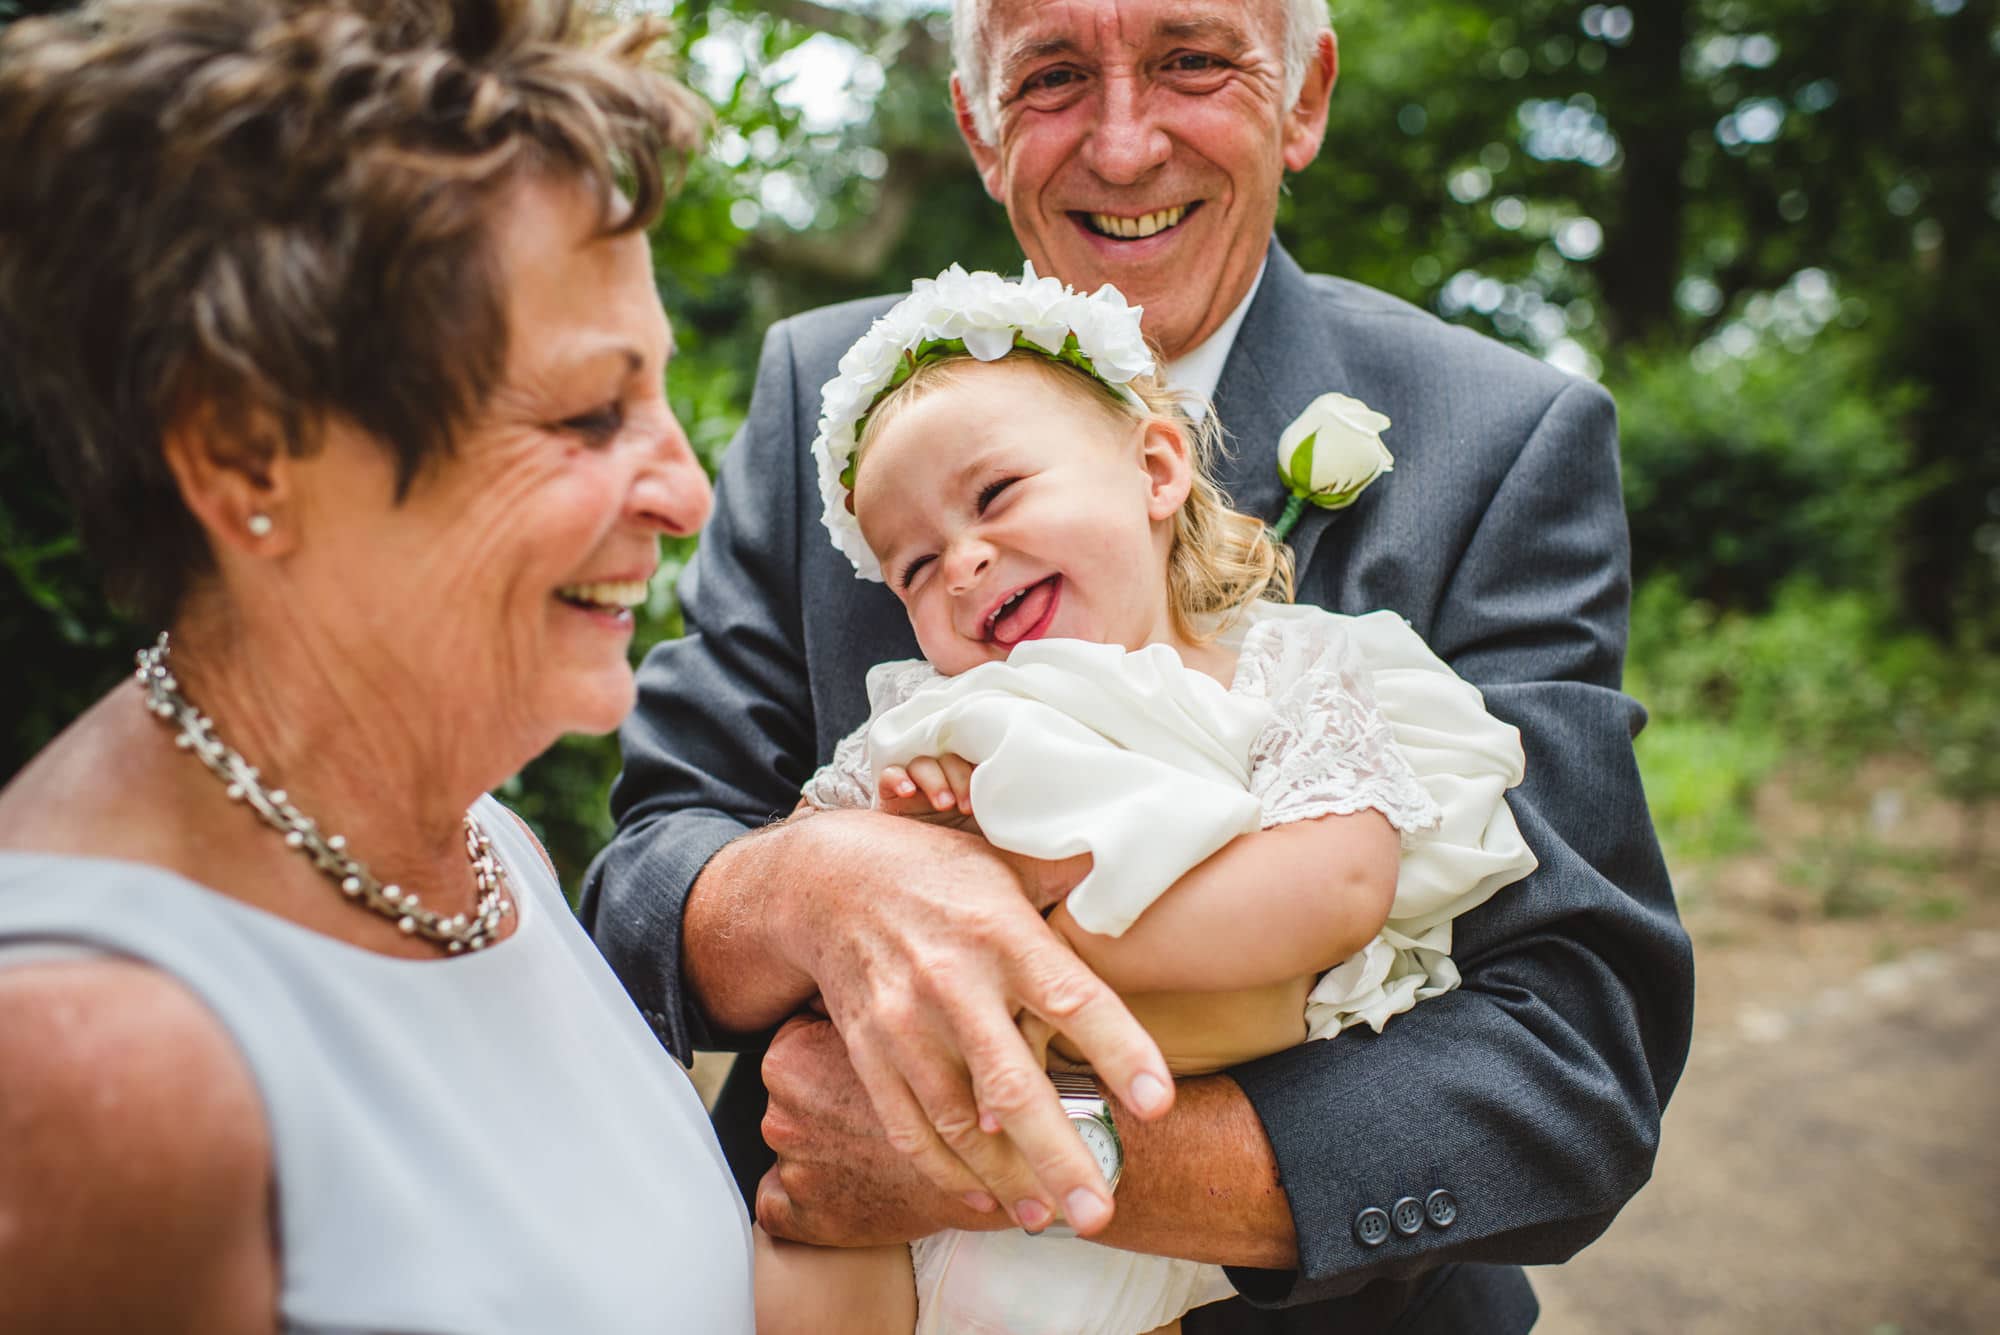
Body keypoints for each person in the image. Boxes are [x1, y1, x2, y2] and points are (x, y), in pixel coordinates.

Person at [583, 0, 1694, 1329]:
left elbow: (1572, 1070)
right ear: (976, 129)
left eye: (1192, 60)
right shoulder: (827, 395)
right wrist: (814, 884)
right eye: (1051, 77)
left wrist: (1021, 1160)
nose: (1122, 147)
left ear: (1304, 95)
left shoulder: (1503, 439)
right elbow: (644, 888)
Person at [0, 2, 753, 1330]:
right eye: (588, 414)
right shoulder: (97, 1056)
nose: (687, 490)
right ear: (244, 456)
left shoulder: (482, 845)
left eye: (657, 397)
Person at [752, 265, 1540, 1335]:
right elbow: (815, 889)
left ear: (1156, 466)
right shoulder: (932, 717)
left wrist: (1024, 915)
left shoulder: (1281, 677)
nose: (963, 562)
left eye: (993, 497)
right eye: (914, 565)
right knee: (798, 1238)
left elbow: (1340, 880)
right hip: (904, 1204)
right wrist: (898, 837)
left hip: (1148, 1199)